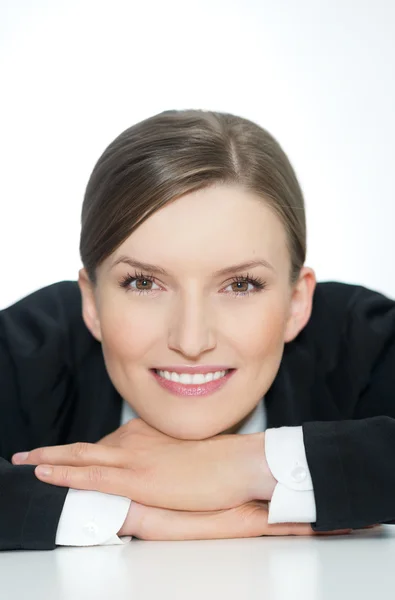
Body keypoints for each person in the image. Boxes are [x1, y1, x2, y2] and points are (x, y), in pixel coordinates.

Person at [1, 109, 394, 551]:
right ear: (91, 303)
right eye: (144, 283)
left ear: (296, 303)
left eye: (240, 285)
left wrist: (241, 466)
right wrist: (132, 512)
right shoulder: (27, 350)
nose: (190, 341)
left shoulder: (362, 339)